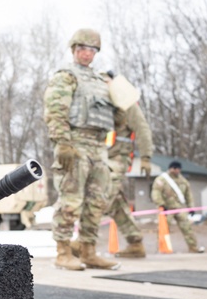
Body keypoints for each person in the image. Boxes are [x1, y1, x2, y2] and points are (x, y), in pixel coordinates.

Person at [44, 28, 121, 271]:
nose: (87, 54)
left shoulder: (102, 81)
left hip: (99, 146)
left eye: (92, 50)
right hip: (75, 144)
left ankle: (88, 250)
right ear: (74, 50)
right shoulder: (66, 76)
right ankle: (63, 251)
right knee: (70, 199)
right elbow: (55, 110)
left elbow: (117, 118)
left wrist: (118, 94)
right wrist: (63, 143)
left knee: (97, 201)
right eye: (82, 49)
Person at [104, 82, 154, 258]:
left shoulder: (127, 103)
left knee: (102, 193)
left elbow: (142, 128)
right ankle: (135, 242)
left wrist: (146, 157)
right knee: (116, 203)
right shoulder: (103, 104)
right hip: (103, 157)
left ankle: (84, 242)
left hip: (119, 157)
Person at [151, 161, 204, 253]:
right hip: (166, 209)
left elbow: (188, 195)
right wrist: (161, 204)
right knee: (163, 229)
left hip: (179, 208)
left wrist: (191, 207)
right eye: (175, 168)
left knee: (187, 228)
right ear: (171, 168)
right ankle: (163, 248)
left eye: (178, 169)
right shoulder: (162, 180)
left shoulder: (183, 181)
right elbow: (156, 193)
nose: (177, 171)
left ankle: (193, 247)